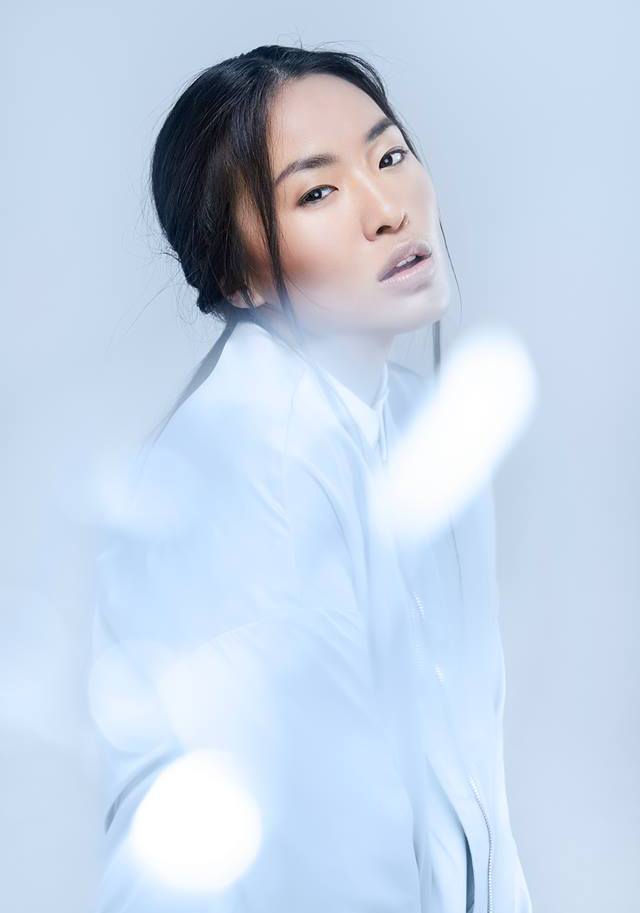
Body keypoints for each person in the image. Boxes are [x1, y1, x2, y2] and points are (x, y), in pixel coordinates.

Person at [90, 44, 533, 913]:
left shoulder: (413, 428)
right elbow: (323, 862)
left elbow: (477, 802)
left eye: (390, 156)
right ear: (237, 276)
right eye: (318, 192)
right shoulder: (245, 481)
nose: (388, 210)